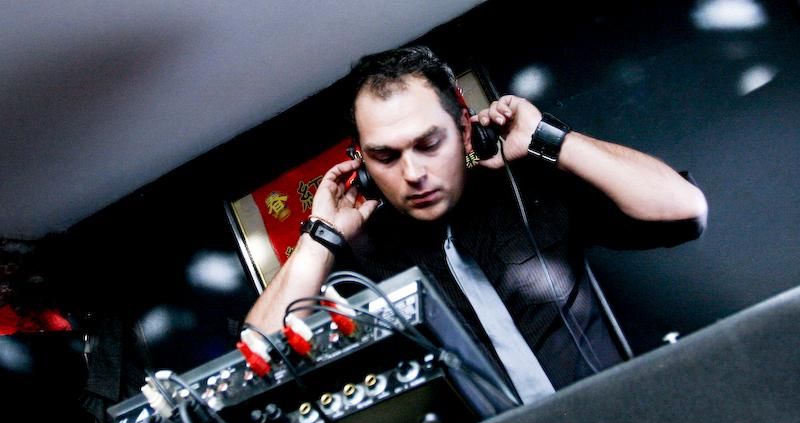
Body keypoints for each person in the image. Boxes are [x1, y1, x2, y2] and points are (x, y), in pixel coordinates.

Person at [245, 46, 707, 392]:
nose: (413, 173)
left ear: (465, 129)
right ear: (361, 164)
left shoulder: (529, 187)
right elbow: (258, 356)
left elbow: (684, 208)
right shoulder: (359, 257)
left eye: (429, 143)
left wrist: (548, 139)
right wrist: (321, 237)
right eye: (385, 156)